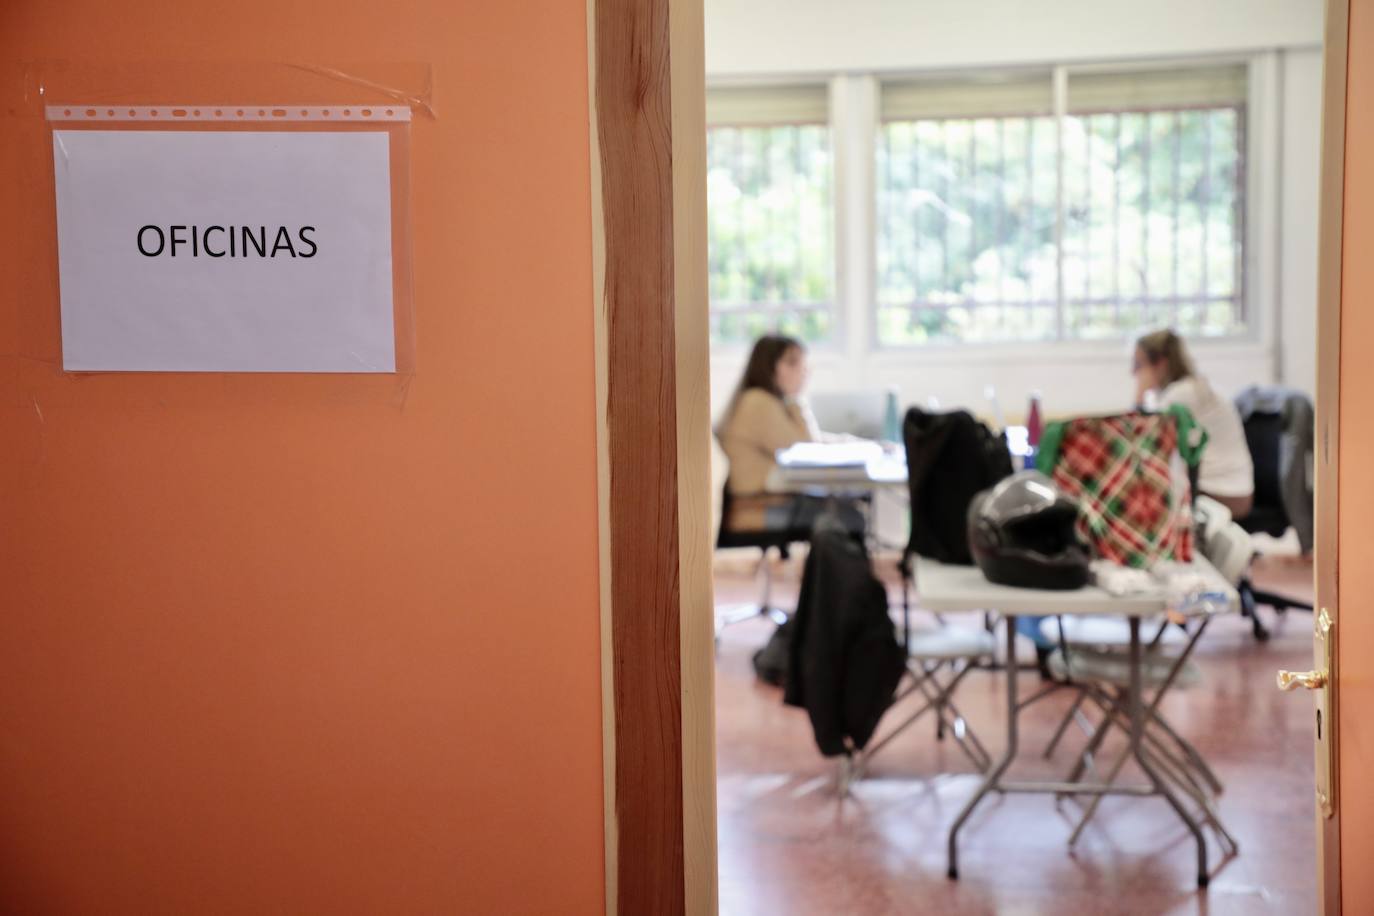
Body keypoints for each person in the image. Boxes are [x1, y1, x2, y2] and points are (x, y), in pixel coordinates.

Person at [715, 335, 861, 533]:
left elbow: (809, 440)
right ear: (770, 367)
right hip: (754, 511)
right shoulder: (758, 403)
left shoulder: (763, 400)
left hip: (764, 503)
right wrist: (796, 399)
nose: (804, 371)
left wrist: (851, 443)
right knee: (850, 517)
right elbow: (807, 451)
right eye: (794, 363)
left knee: (844, 510)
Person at [1133, 329, 1255, 520]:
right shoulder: (1190, 387)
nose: (1133, 372)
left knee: (1140, 493)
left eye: (1139, 365)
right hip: (1226, 489)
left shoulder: (1182, 394)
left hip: (1227, 494)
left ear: (1161, 364)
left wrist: (1140, 393)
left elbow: (1142, 437)